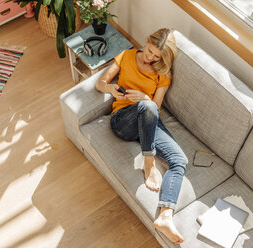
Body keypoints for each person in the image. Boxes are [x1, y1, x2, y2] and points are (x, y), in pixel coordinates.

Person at [95, 28, 187, 244]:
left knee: (179, 160)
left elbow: (155, 106)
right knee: (145, 107)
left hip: (148, 119)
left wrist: (145, 97)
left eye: (156, 56)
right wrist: (112, 89)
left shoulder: (163, 73)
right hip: (123, 120)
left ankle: (165, 216)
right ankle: (149, 162)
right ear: (146, 42)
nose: (150, 58)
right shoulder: (127, 56)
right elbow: (100, 83)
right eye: (149, 51)